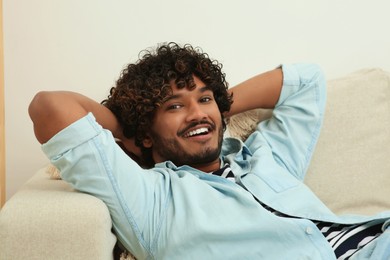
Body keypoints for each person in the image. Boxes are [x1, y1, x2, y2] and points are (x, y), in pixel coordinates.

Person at [29, 42, 390, 259]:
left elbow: (306, 81)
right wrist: (132, 129)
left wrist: (215, 105)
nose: (197, 112)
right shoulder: (151, 200)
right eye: (174, 106)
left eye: (204, 99)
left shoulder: (264, 159)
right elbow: (50, 108)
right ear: (146, 133)